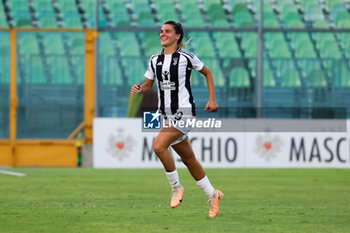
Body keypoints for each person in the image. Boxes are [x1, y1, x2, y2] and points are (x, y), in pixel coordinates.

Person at [131, 21, 223, 217]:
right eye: (161, 31)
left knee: (158, 146)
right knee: (189, 159)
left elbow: (208, 73)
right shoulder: (155, 59)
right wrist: (139, 88)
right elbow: (148, 85)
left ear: (177, 36)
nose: (162, 34)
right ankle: (213, 195)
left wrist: (212, 99)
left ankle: (176, 188)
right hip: (165, 114)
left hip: (184, 112)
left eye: (167, 31)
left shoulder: (186, 57)